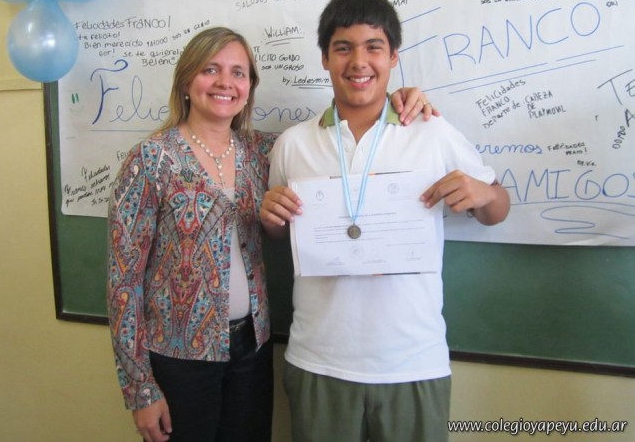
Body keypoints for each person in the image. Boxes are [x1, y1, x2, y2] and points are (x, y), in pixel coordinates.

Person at [106, 25, 436, 442]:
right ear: (187, 81)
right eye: (210, 70)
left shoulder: (264, 151)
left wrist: (395, 100)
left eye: (238, 73)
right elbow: (123, 282)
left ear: (249, 88)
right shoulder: (151, 159)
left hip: (253, 350)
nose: (225, 82)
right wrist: (139, 389)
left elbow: (336, 141)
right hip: (178, 357)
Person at [260, 0, 510, 442]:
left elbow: (497, 211)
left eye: (373, 47)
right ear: (324, 58)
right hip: (318, 359)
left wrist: (484, 193)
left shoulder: (431, 131)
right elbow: (280, 233)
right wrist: (271, 219)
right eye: (343, 48)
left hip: (413, 361)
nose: (359, 62)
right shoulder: (292, 144)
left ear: (393, 56)